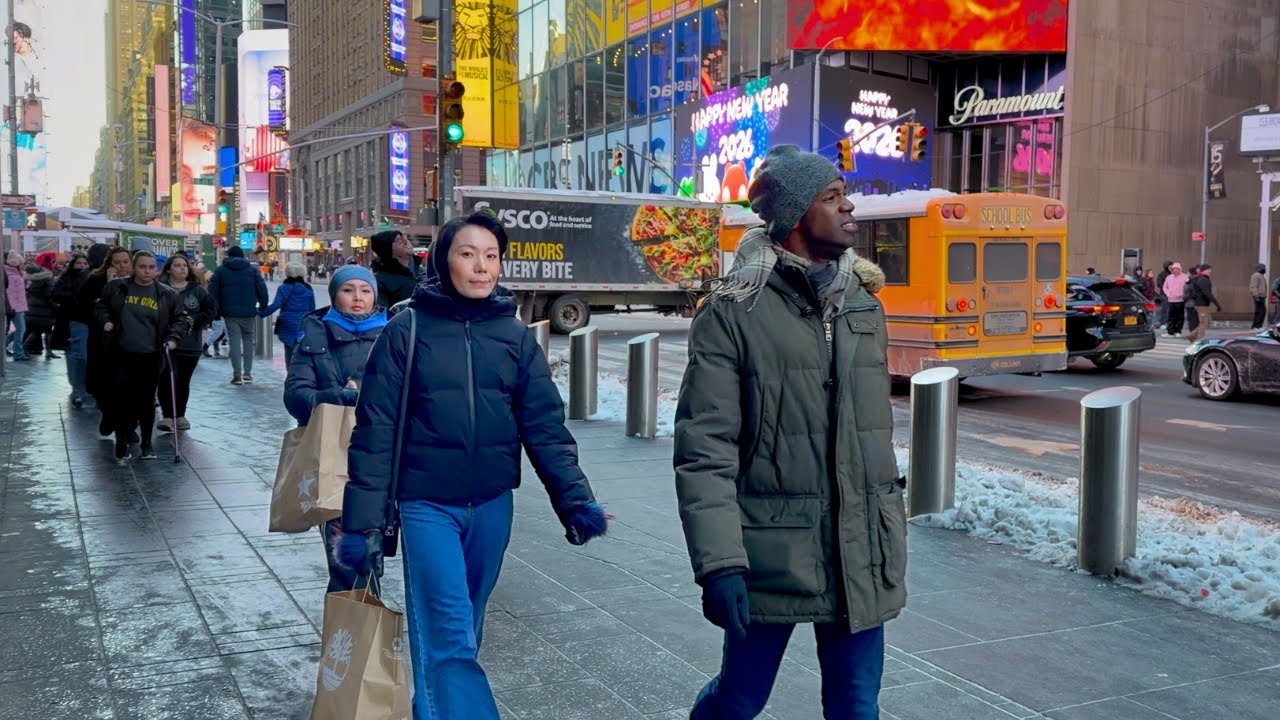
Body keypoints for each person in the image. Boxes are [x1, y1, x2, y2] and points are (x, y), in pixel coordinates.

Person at [339, 211, 608, 720]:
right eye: (468, 254)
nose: (481, 267)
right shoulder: (406, 331)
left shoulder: (514, 337)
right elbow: (375, 434)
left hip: (490, 506)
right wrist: (363, 525)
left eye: (491, 256)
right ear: (444, 262)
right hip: (425, 506)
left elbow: (545, 426)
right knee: (447, 631)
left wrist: (574, 499)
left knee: (465, 631)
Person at [673, 145, 902, 720]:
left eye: (844, 193)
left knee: (856, 705)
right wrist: (720, 563)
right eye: (832, 197)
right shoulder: (733, 310)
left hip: (859, 548)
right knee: (738, 700)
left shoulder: (862, 305)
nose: (850, 206)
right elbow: (705, 449)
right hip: (771, 551)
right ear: (797, 214)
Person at [284, 265, 389, 593]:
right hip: (335, 458)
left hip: (385, 458)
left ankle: (364, 624)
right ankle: (352, 631)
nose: (358, 298)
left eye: (365, 290)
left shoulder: (395, 334)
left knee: (376, 549)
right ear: (334, 295)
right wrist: (334, 397)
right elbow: (295, 395)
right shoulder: (315, 334)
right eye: (348, 290)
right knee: (347, 556)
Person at [94, 250, 190, 463]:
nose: (147, 271)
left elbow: (182, 320)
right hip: (121, 352)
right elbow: (101, 306)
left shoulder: (166, 294)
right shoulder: (117, 287)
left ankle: (146, 443)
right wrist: (105, 321)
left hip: (152, 354)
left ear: (156, 269)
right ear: (134, 267)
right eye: (142, 267)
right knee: (121, 399)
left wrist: (173, 338)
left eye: (151, 267)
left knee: (146, 401)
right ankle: (121, 440)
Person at [156, 255, 216, 433]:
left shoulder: (197, 290)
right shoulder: (160, 289)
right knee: (166, 378)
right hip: (166, 342)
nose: (182, 269)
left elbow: (210, 310)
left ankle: (180, 414)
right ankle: (168, 416)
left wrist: (195, 320)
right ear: (169, 269)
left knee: (183, 380)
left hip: (190, 344)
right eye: (177, 265)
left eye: (185, 266)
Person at [80, 246, 134, 438]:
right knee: (100, 383)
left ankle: (126, 427)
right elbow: (87, 309)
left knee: (127, 385)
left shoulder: (137, 282)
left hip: (130, 340)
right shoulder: (96, 280)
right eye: (117, 262)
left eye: (125, 262)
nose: (122, 266)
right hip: (102, 340)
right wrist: (110, 285)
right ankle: (109, 415)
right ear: (109, 263)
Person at [209, 246, 269, 385]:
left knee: (234, 341)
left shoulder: (220, 271)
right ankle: (248, 372)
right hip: (248, 311)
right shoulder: (252, 271)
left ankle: (237, 375)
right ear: (242, 256)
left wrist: (215, 311)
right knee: (248, 339)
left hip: (229, 312)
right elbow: (262, 289)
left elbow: (212, 292)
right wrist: (263, 305)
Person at [260, 261, 316, 366]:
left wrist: (261, 313)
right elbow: (312, 309)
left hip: (287, 323)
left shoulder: (283, 288)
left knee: (289, 350)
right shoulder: (308, 289)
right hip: (303, 323)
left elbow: (276, 305)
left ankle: (290, 375)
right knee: (302, 350)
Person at [53, 252, 91, 405]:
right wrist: (72, 297)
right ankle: (76, 388)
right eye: (78, 263)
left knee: (81, 355)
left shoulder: (89, 278)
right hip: (67, 320)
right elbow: (55, 295)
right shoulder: (66, 278)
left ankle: (80, 387)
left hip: (83, 320)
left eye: (84, 264)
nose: (81, 266)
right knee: (73, 354)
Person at [370, 229, 425, 309]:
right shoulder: (380, 281)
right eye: (399, 240)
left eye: (405, 238)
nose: (406, 241)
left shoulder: (423, 272)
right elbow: (383, 314)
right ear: (387, 249)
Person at [21, 257, 57, 359]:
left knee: (32, 330)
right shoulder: (47, 279)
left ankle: (23, 348)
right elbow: (49, 295)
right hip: (44, 310)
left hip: (31, 309)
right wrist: (56, 307)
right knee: (45, 331)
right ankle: (47, 351)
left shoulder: (32, 279)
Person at [4, 251, 30, 361]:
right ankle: (18, 353)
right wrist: (13, 307)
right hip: (16, 306)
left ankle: (4, 345)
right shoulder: (13, 275)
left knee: (20, 329)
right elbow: (10, 293)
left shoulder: (14, 274)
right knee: (21, 329)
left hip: (18, 305)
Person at [1187, 264, 1223, 342]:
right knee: (1203, 322)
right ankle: (1199, 341)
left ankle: (1191, 336)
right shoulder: (1203, 279)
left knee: (1208, 322)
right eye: (1208, 269)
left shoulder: (1203, 278)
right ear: (1204, 270)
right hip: (1201, 304)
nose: (1210, 271)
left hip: (1203, 304)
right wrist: (1217, 304)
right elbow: (1207, 293)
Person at [1161, 262, 1188, 337]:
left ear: (1180, 269)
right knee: (1170, 316)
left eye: (1177, 269)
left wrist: (1183, 295)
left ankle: (1178, 331)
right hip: (1171, 300)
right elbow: (1164, 287)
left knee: (1180, 317)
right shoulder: (1169, 277)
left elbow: (1188, 287)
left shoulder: (1185, 277)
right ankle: (1170, 332)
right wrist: (1168, 294)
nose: (1175, 271)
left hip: (1180, 300)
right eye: (1174, 269)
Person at [1154, 260, 1173, 328]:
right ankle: (1163, 323)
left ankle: (1169, 322)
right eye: (1170, 266)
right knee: (1165, 308)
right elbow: (1159, 284)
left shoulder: (1173, 274)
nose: (1171, 267)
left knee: (1171, 309)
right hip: (1164, 294)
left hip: (1173, 294)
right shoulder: (1162, 274)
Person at [1249, 264, 1268, 331]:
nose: (1264, 269)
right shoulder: (1256, 275)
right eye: (1263, 267)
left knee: (1263, 311)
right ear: (1259, 268)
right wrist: (1256, 296)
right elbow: (1253, 286)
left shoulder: (1261, 276)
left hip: (1262, 297)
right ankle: (1255, 327)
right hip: (1258, 296)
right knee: (1259, 311)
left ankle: (1259, 326)